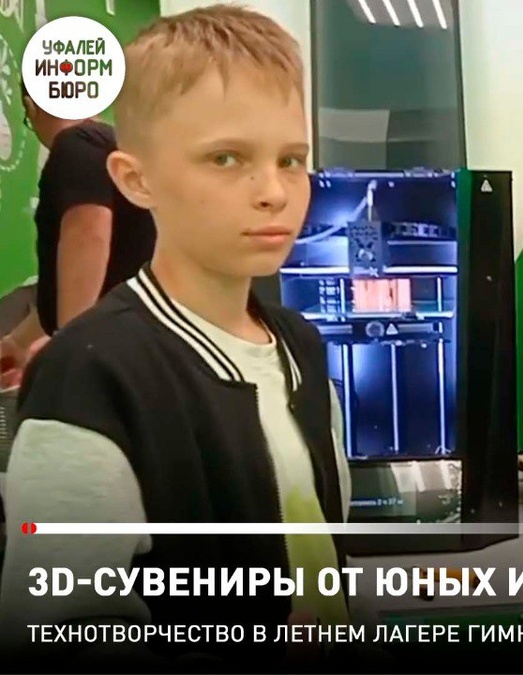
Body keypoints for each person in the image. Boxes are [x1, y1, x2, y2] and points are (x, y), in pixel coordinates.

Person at [0, 6, 360, 670]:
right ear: (135, 179)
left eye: (291, 160)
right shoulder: (94, 376)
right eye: (226, 158)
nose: (273, 192)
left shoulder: (300, 348)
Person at [0, 78, 157, 373]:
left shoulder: (75, 144)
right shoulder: (113, 147)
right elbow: (86, 276)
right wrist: (19, 342)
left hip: (112, 347)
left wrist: (71, 345)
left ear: (31, 107)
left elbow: (88, 231)